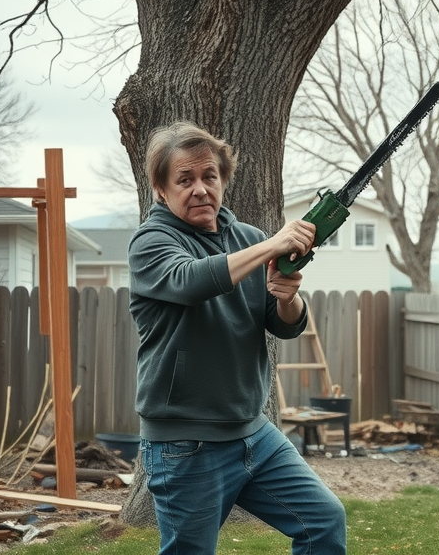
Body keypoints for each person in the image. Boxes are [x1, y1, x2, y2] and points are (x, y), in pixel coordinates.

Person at [128, 121, 347, 554]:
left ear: (223, 180)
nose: (200, 189)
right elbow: (191, 280)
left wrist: (289, 298)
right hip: (184, 443)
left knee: (323, 521)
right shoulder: (151, 243)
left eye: (209, 176)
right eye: (184, 180)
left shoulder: (247, 239)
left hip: (254, 434)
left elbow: (283, 322)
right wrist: (272, 247)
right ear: (160, 190)